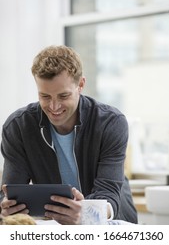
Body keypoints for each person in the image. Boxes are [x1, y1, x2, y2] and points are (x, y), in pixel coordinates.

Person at [0, 45, 137, 225]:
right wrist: (6, 207)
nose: (54, 107)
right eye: (45, 96)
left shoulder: (110, 123)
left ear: (80, 85)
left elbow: (109, 194)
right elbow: (11, 191)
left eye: (63, 96)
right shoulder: (18, 127)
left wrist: (87, 214)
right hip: (58, 228)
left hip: (113, 225)